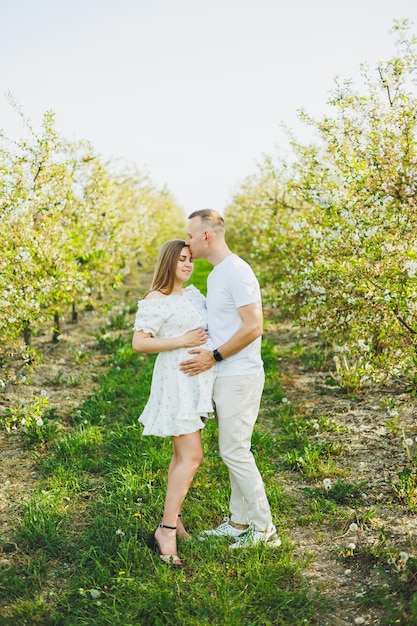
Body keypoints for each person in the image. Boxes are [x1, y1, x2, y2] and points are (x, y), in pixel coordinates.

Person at [179, 209, 280, 549]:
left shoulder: (237, 272)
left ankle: (265, 531)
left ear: (206, 236)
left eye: (190, 235)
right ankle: (238, 523)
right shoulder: (217, 274)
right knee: (232, 450)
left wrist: (215, 356)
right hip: (224, 374)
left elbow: (254, 326)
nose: (188, 242)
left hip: (239, 375)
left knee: (235, 451)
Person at [132, 239, 216, 566]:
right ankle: (166, 530)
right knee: (193, 456)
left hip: (194, 381)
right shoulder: (157, 299)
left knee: (182, 455)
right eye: (181, 259)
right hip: (175, 382)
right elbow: (140, 343)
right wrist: (182, 340)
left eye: (191, 259)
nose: (187, 264)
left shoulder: (193, 294)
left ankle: (174, 517)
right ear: (169, 261)